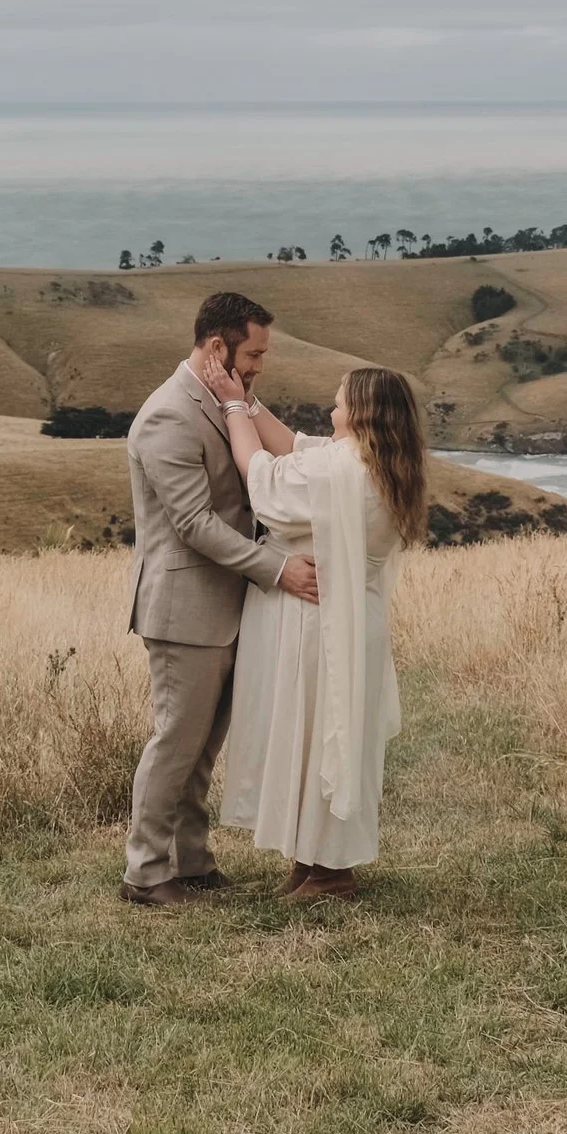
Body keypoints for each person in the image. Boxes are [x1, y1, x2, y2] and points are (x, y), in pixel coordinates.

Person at [195, 358, 427, 903]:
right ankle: (314, 863)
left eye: (341, 402)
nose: (332, 410)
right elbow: (295, 445)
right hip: (352, 620)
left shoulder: (338, 471)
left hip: (323, 626)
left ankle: (329, 874)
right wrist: (249, 401)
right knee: (331, 737)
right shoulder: (378, 464)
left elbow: (263, 475)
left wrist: (231, 409)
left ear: (362, 414)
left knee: (323, 737)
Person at [119, 293, 321, 907]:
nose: (260, 364)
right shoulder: (167, 416)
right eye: (253, 352)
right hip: (183, 606)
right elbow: (193, 523)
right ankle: (145, 874)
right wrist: (278, 568)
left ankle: (195, 863)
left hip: (226, 605)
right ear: (217, 348)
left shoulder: (232, 400)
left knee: (203, 748)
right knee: (177, 740)